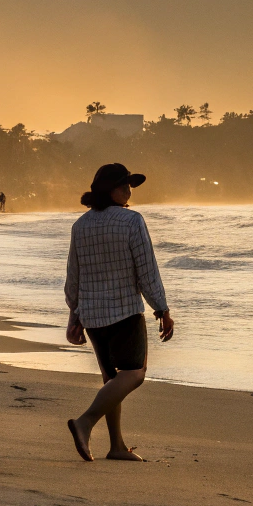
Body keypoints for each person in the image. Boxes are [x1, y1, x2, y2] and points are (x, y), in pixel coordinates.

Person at [64, 163, 173, 462]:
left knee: (111, 379)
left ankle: (116, 447)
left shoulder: (80, 226)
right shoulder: (131, 221)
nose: (129, 191)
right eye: (123, 185)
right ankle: (85, 422)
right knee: (134, 374)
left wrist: (74, 316)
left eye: (130, 186)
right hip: (125, 311)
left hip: (93, 316)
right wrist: (161, 308)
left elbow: (73, 277)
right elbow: (146, 271)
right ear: (108, 190)